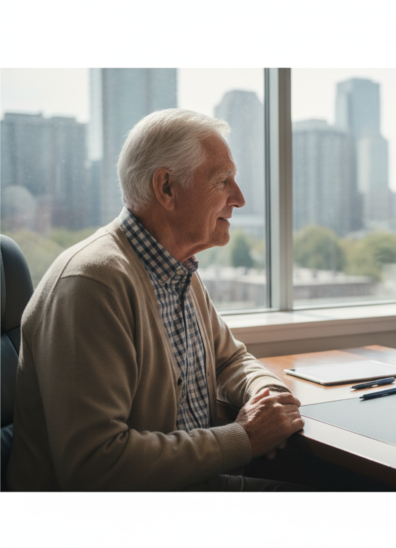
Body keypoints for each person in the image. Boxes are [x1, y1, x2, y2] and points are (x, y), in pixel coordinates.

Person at [8, 109, 305, 491]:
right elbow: (96, 466)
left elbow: (230, 358)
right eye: (223, 181)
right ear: (166, 188)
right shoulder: (92, 284)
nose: (240, 198)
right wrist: (244, 438)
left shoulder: (178, 270)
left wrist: (270, 397)